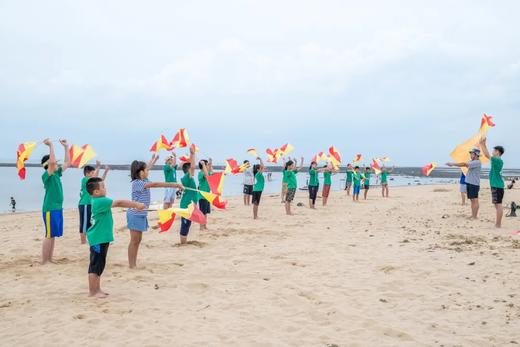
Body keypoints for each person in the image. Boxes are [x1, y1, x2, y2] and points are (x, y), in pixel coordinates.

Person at [86, 177, 144, 298]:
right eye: (103, 187)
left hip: (101, 238)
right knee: (95, 265)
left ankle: (97, 289)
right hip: (97, 239)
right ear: (96, 192)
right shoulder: (100, 201)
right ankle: (93, 291)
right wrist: (136, 204)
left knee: (100, 265)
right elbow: (119, 203)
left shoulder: (99, 200)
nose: (105, 188)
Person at [127, 154, 183, 268]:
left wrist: (154, 160)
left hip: (141, 214)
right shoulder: (137, 183)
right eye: (145, 170)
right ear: (141, 172)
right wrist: (174, 184)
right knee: (134, 241)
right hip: (134, 214)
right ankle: (132, 265)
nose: (148, 171)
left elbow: (148, 168)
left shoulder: (143, 179)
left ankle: (133, 263)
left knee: (138, 240)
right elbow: (156, 184)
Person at [41, 138, 71, 265]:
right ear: (49, 165)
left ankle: (50, 258)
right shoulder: (47, 176)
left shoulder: (57, 174)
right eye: (54, 163)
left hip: (57, 208)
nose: (56, 164)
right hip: (49, 208)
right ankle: (44, 260)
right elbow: (52, 162)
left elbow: (67, 163)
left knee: (52, 235)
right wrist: (51, 146)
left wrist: (66, 147)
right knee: (48, 234)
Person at [78, 161, 109, 244]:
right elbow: (94, 178)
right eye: (92, 172)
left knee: (90, 222)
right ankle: (83, 242)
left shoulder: (91, 181)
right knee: (84, 223)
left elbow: (100, 181)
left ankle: (88, 239)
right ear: (87, 173)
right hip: (84, 204)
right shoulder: (85, 180)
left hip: (90, 204)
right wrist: (98, 167)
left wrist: (105, 171)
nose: (93, 174)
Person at [446, 148, 482, 219]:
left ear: (476, 155)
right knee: (472, 200)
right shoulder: (472, 161)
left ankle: (475, 216)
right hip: (470, 183)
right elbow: (464, 164)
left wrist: (453, 164)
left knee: (475, 200)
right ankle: (473, 215)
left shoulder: (477, 162)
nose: (470, 155)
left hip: (474, 184)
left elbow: (464, 164)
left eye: (472, 153)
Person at [479, 137, 505, 228]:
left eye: (494, 150)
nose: (492, 152)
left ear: (498, 152)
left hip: (497, 186)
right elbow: (487, 155)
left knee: (498, 205)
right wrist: (483, 144)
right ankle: (498, 223)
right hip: (496, 185)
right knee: (496, 204)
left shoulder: (497, 160)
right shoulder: (497, 160)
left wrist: (482, 144)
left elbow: (486, 155)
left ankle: (498, 224)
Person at [179, 145, 198, 244]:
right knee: (185, 225)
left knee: (187, 224)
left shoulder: (189, 178)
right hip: (186, 205)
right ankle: (183, 243)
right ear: (188, 169)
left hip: (189, 205)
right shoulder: (187, 177)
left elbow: (192, 167)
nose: (193, 170)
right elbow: (193, 166)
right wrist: (192, 154)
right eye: (190, 168)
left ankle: (184, 241)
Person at [198, 158, 213, 230]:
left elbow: (210, 172)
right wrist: (204, 164)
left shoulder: (207, 172)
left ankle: (204, 225)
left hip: (207, 196)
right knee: (202, 213)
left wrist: (210, 162)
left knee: (206, 212)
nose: (208, 166)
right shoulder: (201, 173)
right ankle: (201, 226)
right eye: (207, 165)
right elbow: (206, 174)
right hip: (202, 196)